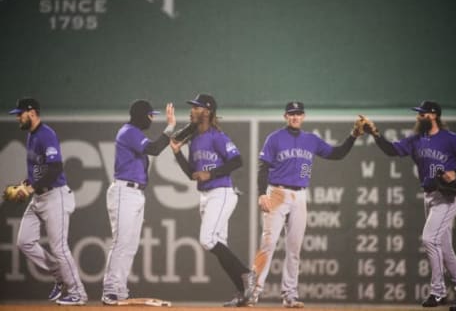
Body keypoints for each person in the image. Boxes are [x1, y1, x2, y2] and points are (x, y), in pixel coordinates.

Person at [361, 100, 456, 311]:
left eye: (422, 113)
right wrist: (375, 133)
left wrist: (455, 172)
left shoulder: (451, 139)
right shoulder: (416, 139)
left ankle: (438, 292)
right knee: (446, 250)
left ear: (433, 115)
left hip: (448, 196)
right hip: (430, 196)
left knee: (428, 238)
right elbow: (392, 150)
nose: (418, 116)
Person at [249, 101, 362, 308]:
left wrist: (353, 136)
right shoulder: (274, 138)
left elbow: (337, 154)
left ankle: (290, 295)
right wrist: (261, 194)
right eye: (291, 114)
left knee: (294, 248)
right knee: (268, 244)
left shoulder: (311, 140)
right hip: (276, 192)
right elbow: (263, 167)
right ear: (285, 116)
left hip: (300, 195)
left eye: (298, 113)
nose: (295, 117)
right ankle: (253, 293)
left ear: (303, 116)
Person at [169, 94, 256, 307]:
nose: (192, 110)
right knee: (219, 244)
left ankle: (246, 273)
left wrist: (212, 174)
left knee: (207, 240)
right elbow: (192, 174)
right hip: (205, 196)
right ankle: (242, 292)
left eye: (196, 107)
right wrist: (178, 154)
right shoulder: (195, 140)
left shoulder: (217, 136)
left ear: (207, 112)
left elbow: (237, 160)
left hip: (222, 192)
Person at [8, 98, 88, 305]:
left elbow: (55, 168)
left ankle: (78, 293)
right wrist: (25, 184)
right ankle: (61, 276)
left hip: (55, 196)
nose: (18, 117)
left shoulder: (46, 134)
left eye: (20, 113)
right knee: (24, 241)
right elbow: (38, 170)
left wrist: (31, 188)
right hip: (39, 196)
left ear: (32, 113)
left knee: (59, 248)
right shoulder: (31, 136)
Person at [102, 100, 176, 305]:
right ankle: (109, 290)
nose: (152, 119)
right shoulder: (129, 131)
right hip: (124, 191)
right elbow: (154, 148)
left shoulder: (134, 133)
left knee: (131, 245)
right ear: (141, 115)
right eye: (150, 115)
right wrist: (170, 128)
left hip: (135, 193)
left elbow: (154, 146)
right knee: (121, 242)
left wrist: (175, 131)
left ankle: (119, 289)